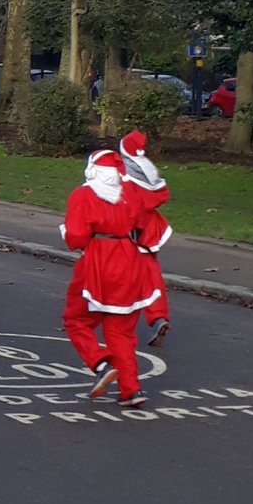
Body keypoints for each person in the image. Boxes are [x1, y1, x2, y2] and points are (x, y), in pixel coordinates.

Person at [61, 150, 157, 407]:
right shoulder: (131, 194)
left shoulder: (83, 195)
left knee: (76, 319)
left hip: (97, 261)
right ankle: (131, 389)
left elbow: (76, 237)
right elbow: (143, 225)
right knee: (121, 331)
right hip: (129, 260)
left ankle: (100, 364)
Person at [119, 129, 173, 346]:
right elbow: (161, 195)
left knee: (119, 276)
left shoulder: (122, 173)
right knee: (151, 276)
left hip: (128, 231)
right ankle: (158, 316)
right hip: (151, 230)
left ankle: (115, 320)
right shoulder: (147, 169)